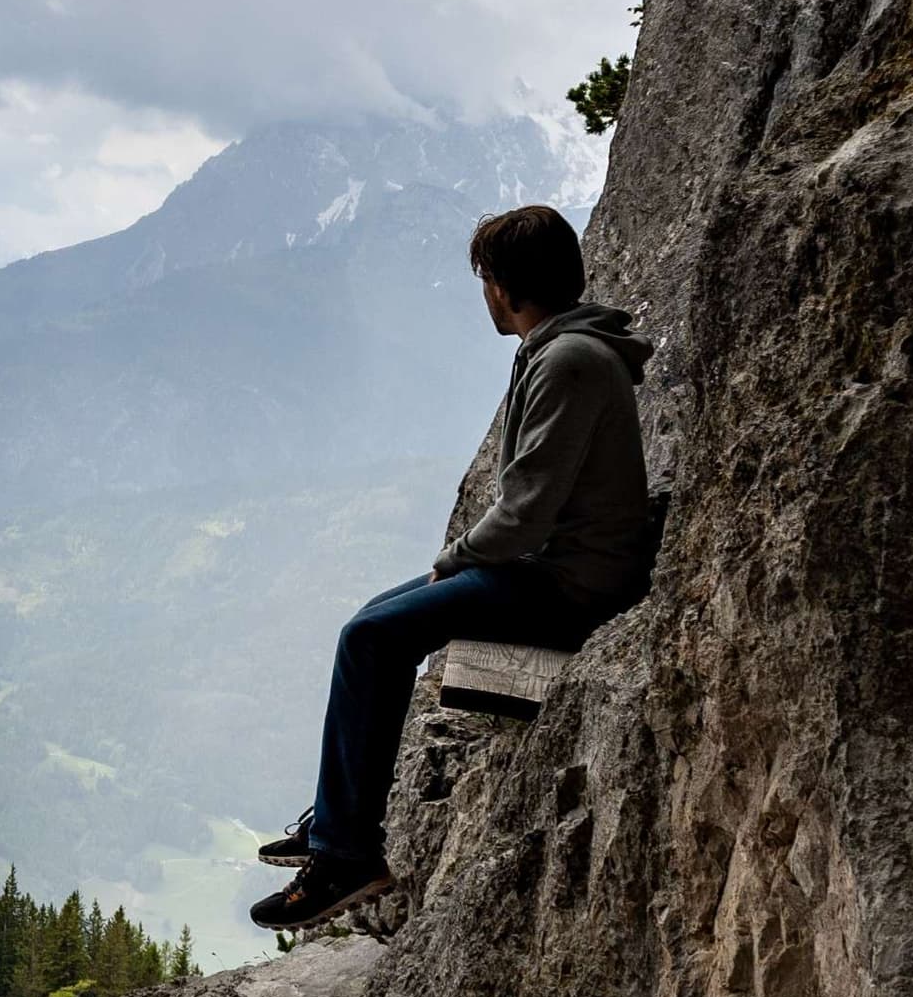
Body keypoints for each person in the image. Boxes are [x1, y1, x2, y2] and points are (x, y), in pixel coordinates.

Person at [249, 202, 657, 931]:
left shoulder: (568, 361)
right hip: (553, 568)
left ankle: (346, 856)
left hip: (568, 586)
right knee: (372, 622)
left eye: (486, 281)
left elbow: (526, 511)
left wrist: (455, 559)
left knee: (371, 637)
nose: (485, 296)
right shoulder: (561, 350)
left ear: (504, 287)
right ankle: (336, 823)